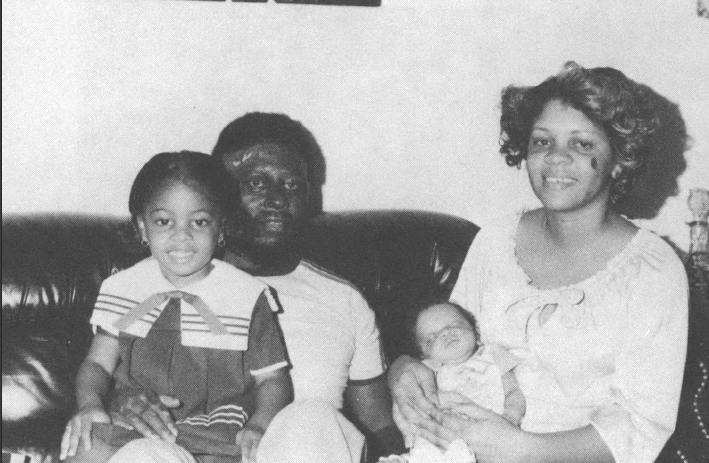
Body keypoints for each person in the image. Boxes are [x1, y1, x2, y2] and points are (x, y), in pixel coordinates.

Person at [389, 61, 689, 463]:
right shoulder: (495, 242)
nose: (555, 159)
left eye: (582, 144)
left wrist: (521, 449)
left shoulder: (653, 269)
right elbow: (451, 345)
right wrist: (404, 368)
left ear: (620, 159)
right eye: (541, 142)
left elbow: (641, 425)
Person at [102, 113, 405, 463]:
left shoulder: (344, 300)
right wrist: (119, 398)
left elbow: (381, 428)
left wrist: (410, 365)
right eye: (258, 183)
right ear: (219, 194)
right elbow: (96, 379)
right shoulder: (155, 284)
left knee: (312, 417)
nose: (277, 199)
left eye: (292, 185)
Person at [59, 151, 293, 463]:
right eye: (164, 221)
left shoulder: (246, 295)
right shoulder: (122, 288)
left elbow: (272, 380)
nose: (181, 235)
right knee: (82, 448)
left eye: (199, 221)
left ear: (221, 229)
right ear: (143, 228)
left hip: (220, 433)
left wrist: (259, 425)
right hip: (134, 425)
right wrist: (89, 404)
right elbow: (98, 364)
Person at [382, 300, 524, 463]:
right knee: (427, 451)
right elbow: (410, 404)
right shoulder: (428, 371)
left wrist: (511, 419)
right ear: (424, 354)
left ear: (476, 331)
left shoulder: (495, 354)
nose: (445, 333)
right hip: (443, 434)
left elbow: (513, 391)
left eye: (454, 324)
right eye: (431, 337)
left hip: (490, 431)